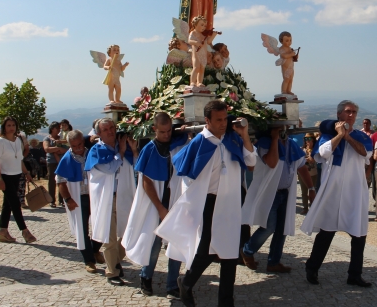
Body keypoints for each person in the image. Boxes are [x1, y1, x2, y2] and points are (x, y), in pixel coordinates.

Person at [155, 100, 255, 307]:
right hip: (209, 202)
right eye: (218, 120)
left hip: (232, 201)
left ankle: (225, 301)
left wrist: (244, 135)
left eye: (225, 119)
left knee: (230, 251)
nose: (223, 124)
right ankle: (186, 281)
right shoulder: (199, 143)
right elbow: (187, 177)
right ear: (207, 121)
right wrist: (192, 205)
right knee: (207, 249)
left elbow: (251, 162)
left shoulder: (232, 139)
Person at [301, 100, 374, 288]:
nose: (351, 115)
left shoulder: (360, 136)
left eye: (354, 112)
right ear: (339, 114)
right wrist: (339, 136)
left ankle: (355, 275)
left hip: (355, 191)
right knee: (327, 231)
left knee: (359, 234)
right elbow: (322, 154)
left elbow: (365, 153)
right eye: (348, 112)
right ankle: (312, 267)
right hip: (333, 192)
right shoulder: (327, 136)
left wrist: (348, 137)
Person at [123, 113, 188, 297]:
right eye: (162, 132)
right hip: (156, 202)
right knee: (153, 243)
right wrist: (160, 208)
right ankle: (146, 277)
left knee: (175, 241)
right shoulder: (149, 150)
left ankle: (172, 285)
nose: (167, 135)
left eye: (169, 131)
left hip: (174, 200)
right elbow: (146, 182)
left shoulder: (178, 143)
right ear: (154, 130)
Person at [240, 126, 314, 274]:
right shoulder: (264, 143)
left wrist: (311, 189)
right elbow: (272, 162)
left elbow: (302, 167)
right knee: (268, 227)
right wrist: (274, 139)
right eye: (279, 127)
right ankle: (247, 251)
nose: (283, 130)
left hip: (285, 193)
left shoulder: (291, 144)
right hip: (269, 193)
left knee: (282, 229)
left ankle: (274, 262)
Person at [84, 118, 138, 285]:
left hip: (123, 195)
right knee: (110, 237)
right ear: (99, 133)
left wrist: (133, 151)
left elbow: (136, 166)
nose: (110, 131)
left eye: (112, 127)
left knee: (127, 234)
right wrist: (121, 152)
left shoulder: (122, 146)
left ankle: (115, 262)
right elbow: (109, 168)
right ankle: (111, 272)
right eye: (106, 129)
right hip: (106, 198)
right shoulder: (96, 151)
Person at [55, 130, 103, 274]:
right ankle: (89, 260)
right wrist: (68, 199)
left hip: (94, 195)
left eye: (80, 144)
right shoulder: (67, 159)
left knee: (101, 224)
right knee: (82, 230)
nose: (78, 148)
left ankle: (95, 249)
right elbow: (60, 181)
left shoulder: (92, 152)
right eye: (74, 146)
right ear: (70, 145)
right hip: (78, 197)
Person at [0, 116, 36, 244]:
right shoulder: (0, 142)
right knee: (15, 204)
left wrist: (26, 172)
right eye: (8, 125)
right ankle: (25, 231)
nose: (11, 128)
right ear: (4, 127)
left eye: (13, 125)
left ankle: (3, 231)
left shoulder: (18, 140)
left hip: (16, 175)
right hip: (4, 176)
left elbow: (19, 158)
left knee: (8, 204)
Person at [43, 121, 68, 207]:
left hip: (61, 161)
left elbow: (66, 149)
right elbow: (47, 149)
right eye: (57, 128)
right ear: (52, 129)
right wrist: (57, 148)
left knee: (62, 181)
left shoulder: (61, 138)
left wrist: (56, 149)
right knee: (51, 181)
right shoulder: (47, 139)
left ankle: (62, 200)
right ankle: (52, 200)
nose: (58, 130)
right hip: (51, 162)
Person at [299, 132, 318, 215]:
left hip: (313, 173)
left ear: (313, 140)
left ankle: (313, 207)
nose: (307, 141)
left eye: (309, 139)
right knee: (304, 191)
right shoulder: (302, 149)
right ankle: (305, 208)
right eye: (306, 139)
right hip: (303, 173)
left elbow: (315, 160)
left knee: (313, 190)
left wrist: (310, 151)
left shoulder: (316, 150)